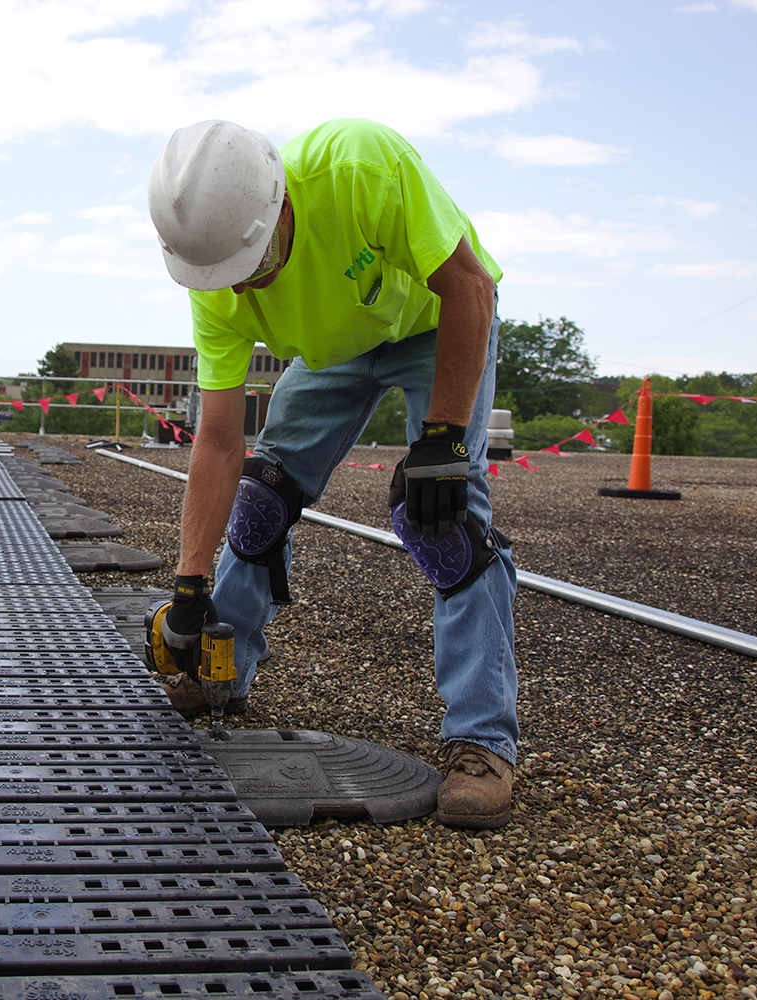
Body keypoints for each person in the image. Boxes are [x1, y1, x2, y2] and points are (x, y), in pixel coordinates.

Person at [146, 118, 518, 829]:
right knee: (262, 500)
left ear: (281, 205)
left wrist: (441, 441)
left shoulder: (360, 166)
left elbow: (469, 286)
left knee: (445, 519)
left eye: (255, 262)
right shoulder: (216, 270)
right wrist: (188, 583)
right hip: (332, 350)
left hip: (435, 318)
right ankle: (220, 671)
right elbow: (220, 443)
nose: (245, 283)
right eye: (229, 274)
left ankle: (482, 740)